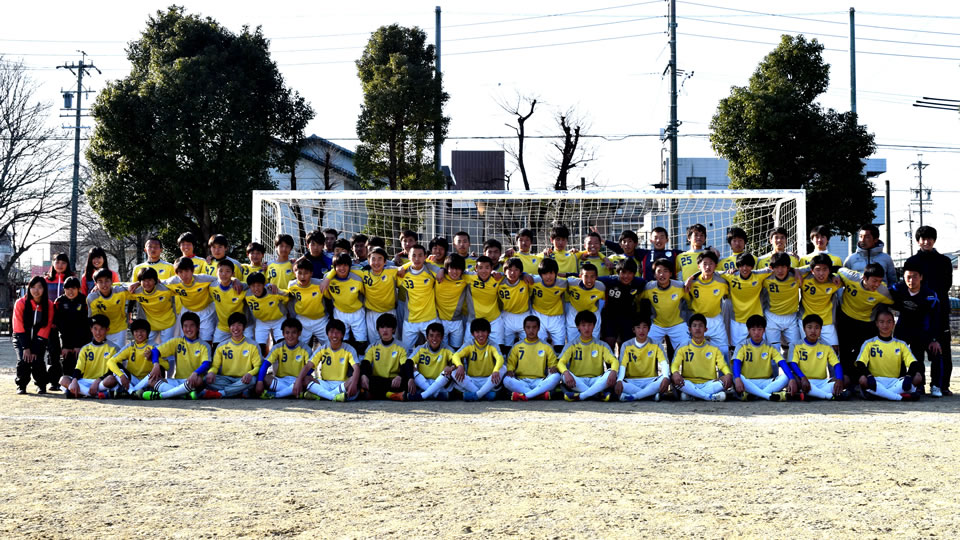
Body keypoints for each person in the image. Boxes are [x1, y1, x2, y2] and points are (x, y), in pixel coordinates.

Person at [905, 225, 953, 396]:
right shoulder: (911, 262)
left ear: (934, 240)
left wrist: (930, 298)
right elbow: (907, 285)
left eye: (929, 238)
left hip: (939, 310)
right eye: (923, 239)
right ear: (918, 241)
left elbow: (945, 285)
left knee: (942, 348)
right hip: (917, 312)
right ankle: (919, 384)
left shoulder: (945, 261)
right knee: (916, 349)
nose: (926, 242)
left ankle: (942, 384)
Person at [888, 260, 942, 396]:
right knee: (897, 356)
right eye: (908, 277)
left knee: (927, 355)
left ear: (921, 277)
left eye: (915, 276)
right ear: (904, 277)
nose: (911, 280)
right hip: (903, 328)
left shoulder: (930, 295)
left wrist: (934, 339)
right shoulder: (897, 289)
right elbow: (883, 295)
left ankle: (933, 385)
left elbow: (936, 319)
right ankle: (899, 383)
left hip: (922, 330)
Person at [835, 264, 894, 386]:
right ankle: (845, 381)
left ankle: (860, 381)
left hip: (866, 323)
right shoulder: (851, 277)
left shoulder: (883, 291)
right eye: (874, 281)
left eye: (880, 281)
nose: (877, 284)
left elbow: (897, 302)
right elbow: (837, 269)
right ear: (864, 278)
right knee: (845, 352)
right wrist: (834, 275)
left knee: (862, 353)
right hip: (846, 318)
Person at [139, 312, 218, 401]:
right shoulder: (177, 341)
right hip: (177, 381)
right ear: (182, 328)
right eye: (185, 326)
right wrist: (156, 364)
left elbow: (206, 363)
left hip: (192, 381)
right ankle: (184, 395)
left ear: (198, 327)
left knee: (199, 380)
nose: (188, 329)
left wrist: (195, 373)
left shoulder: (204, 345)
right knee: (152, 381)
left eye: (192, 326)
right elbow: (155, 351)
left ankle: (163, 395)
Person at [855, 309, 924, 401]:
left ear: (893, 324)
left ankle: (878, 395)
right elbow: (860, 363)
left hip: (894, 382)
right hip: (876, 381)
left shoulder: (901, 344)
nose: (885, 325)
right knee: (863, 380)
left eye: (889, 322)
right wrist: (869, 376)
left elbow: (913, 363)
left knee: (918, 377)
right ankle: (899, 397)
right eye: (881, 322)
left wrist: (908, 376)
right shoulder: (869, 343)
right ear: (877, 324)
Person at [557, 310, 619, 402]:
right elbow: (560, 363)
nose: (587, 328)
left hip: (596, 380)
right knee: (563, 376)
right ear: (578, 327)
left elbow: (614, 361)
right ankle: (598, 394)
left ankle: (581, 396)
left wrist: (613, 371)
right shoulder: (571, 345)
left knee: (610, 372)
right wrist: (566, 373)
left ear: (594, 326)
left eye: (589, 325)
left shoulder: (602, 345)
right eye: (583, 325)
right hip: (577, 380)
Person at [670, 314, 732, 401]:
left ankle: (692, 395)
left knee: (722, 383)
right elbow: (675, 364)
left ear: (706, 329)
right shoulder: (682, 346)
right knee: (675, 380)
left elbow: (723, 365)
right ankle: (708, 397)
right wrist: (676, 373)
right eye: (694, 326)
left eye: (701, 326)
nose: (697, 328)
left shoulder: (714, 348)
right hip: (689, 383)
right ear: (690, 329)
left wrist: (728, 374)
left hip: (709, 383)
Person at [158, 258, 220, 344]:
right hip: (187, 311)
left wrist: (235, 280)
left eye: (187, 271)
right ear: (176, 273)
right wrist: (138, 283)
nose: (184, 275)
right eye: (180, 272)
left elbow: (221, 280)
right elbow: (156, 282)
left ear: (192, 270)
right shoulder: (173, 281)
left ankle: (207, 356)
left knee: (206, 339)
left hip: (206, 310)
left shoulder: (203, 279)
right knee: (187, 339)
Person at [298, 319, 362, 402]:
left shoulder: (349, 349)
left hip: (342, 383)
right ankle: (333, 396)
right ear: (327, 334)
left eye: (338, 332)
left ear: (342, 335)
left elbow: (356, 368)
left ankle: (321, 395)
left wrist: (354, 383)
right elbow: (308, 366)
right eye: (331, 332)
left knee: (354, 379)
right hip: (325, 383)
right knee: (305, 379)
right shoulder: (322, 349)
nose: (334, 335)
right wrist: (298, 381)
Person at [785, 314, 845, 400]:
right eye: (809, 327)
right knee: (793, 379)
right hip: (803, 380)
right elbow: (793, 364)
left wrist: (839, 379)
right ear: (804, 329)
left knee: (844, 380)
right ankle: (827, 395)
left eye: (817, 328)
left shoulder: (826, 346)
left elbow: (837, 364)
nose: (813, 331)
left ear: (821, 330)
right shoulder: (795, 345)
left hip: (822, 382)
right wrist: (803, 377)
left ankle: (811, 394)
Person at [59, 314, 120, 398]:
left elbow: (113, 371)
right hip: (85, 381)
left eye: (101, 329)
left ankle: (80, 392)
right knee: (63, 379)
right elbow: (78, 368)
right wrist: (74, 380)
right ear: (91, 329)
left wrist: (97, 381)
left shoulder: (114, 348)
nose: (98, 333)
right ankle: (95, 394)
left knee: (112, 379)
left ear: (107, 330)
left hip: (101, 382)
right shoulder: (85, 348)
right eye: (95, 329)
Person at [731, 315, 789, 401]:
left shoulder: (770, 347)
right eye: (753, 329)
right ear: (748, 330)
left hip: (766, 382)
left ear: (764, 330)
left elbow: (782, 363)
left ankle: (755, 395)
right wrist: (738, 379)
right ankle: (767, 396)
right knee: (736, 376)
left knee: (787, 376)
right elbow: (736, 363)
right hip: (748, 381)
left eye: (759, 329)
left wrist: (791, 379)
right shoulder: (742, 345)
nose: (756, 332)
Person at [204, 312, 262, 398]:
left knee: (253, 380)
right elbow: (215, 366)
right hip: (226, 379)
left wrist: (250, 373)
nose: (235, 328)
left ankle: (221, 393)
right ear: (229, 327)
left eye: (239, 325)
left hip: (244, 379)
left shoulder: (253, 345)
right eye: (233, 325)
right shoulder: (221, 346)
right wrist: (211, 372)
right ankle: (238, 391)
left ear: (244, 327)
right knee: (205, 380)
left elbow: (258, 367)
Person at [503, 315, 561, 401]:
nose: (531, 330)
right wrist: (510, 370)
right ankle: (538, 394)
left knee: (556, 376)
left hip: (540, 382)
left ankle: (526, 395)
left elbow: (553, 365)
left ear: (538, 328)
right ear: (524, 328)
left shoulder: (546, 346)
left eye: (534, 327)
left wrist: (553, 368)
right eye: (528, 327)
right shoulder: (517, 346)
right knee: (506, 380)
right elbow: (510, 364)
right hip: (521, 381)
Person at [13, 276, 54, 394]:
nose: (36, 290)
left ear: (44, 289)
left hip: (39, 339)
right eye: (33, 287)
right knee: (23, 360)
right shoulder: (20, 303)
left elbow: (46, 327)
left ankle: (41, 385)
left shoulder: (49, 305)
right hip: (21, 338)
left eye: (40, 287)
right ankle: (21, 385)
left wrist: (35, 348)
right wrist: (26, 348)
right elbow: (18, 326)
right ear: (29, 288)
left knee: (37, 360)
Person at [360, 313, 416, 401]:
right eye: (382, 327)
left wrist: (399, 376)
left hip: (394, 381)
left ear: (393, 330)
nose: (385, 330)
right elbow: (365, 363)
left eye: (388, 327)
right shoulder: (372, 347)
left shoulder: (401, 347)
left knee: (406, 381)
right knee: (364, 378)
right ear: (378, 330)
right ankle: (392, 395)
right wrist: (363, 375)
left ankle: (375, 394)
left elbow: (405, 365)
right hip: (378, 380)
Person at [685, 251, 730, 358]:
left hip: (716, 320)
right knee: (694, 351)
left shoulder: (722, 283)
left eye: (711, 263)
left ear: (716, 266)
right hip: (697, 321)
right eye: (704, 264)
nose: (708, 267)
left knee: (724, 350)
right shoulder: (692, 283)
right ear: (699, 266)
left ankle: (725, 374)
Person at [615, 316, 670, 402]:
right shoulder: (626, 345)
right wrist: (619, 380)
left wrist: (666, 377)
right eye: (638, 327)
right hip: (631, 381)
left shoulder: (656, 344)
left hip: (650, 380)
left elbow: (664, 362)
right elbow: (622, 365)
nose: (641, 330)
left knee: (666, 377)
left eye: (644, 327)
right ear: (634, 330)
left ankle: (634, 396)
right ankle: (649, 395)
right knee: (617, 381)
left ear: (649, 329)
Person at [395, 244, 440, 347]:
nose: (417, 258)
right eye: (413, 255)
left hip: (430, 318)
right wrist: (403, 267)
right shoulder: (403, 273)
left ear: (425, 256)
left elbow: (441, 271)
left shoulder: (430, 270)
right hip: (410, 320)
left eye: (420, 255)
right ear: (409, 257)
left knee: (435, 348)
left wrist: (431, 264)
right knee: (406, 351)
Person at [450, 318, 505, 401]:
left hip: (488, 380)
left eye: (483, 331)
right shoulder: (469, 344)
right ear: (472, 333)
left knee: (503, 368)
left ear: (488, 332)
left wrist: (496, 370)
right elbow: (455, 355)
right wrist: (460, 366)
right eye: (477, 332)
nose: (480, 334)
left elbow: (500, 358)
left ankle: (476, 395)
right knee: (453, 371)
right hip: (472, 381)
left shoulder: (493, 345)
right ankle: (483, 394)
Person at [641, 258, 688, 353]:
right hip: (657, 324)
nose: (662, 274)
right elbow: (638, 299)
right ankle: (652, 368)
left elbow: (690, 301)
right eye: (659, 271)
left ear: (670, 274)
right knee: (647, 351)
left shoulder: (680, 286)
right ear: (654, 274)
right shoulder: (649, 287)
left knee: (687, 350)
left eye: (665, 271)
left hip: (677, 324)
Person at [108, 319, 166, 397]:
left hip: (148, 380)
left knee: (160, 369)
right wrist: (121, 375)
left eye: (142, 331)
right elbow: (110, 362)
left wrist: (152, 358)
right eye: (136, 331)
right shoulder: (129, 347)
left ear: (148, 332)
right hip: (132, 380)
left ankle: (130, 391)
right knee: (117, 367)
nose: (139, 334)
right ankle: (134, 392)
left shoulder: (154, 346)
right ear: (132, 333)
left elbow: (166, 366)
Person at [322, 253, 368, 351]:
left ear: (349, 266)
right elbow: (327, 295)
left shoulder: (357, 278)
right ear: (334, 267)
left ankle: (360, 362)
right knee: (342, 340)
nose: (342, 268)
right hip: (339, 312)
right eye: (339, 265)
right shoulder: (328, 279)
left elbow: (364, 293)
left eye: (345, 265)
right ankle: (343, 362)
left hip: (357, 313)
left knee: (361, 341)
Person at [256, 318, 311, 399]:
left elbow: (310, 369)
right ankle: (294, 392)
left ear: (299, 333)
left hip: (298, 380)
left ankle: (277, 394)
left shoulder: (306, 349)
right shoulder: (278, 347)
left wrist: (299, 380)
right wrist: (259, 382)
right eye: (287, 333)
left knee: (308, 380)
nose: (290, 336)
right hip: (281, 380)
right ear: (283, 334)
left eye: (294, 333)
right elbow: (265, 364)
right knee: (264, 377)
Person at [52, 276, 91, 392]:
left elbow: (85, 326)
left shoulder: (84, 301)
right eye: (67, 288)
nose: (70, 291)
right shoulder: (59, 302)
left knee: (81, 360)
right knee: (66, 359)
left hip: (82, 338)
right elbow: (59, 326)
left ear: (78, 289)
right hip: (65, 338)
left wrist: (79, 345)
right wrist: (65, 346)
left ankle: (82, 384)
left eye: (73, 288)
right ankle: (64, 384)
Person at [597, 258, 645, 353]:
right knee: (609, 343)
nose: (626, 276)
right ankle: (611, 367)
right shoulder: (609, 281)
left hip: (628, 316)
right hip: (609, 316)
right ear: (618, 272)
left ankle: (622, 366)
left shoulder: (639, 283)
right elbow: (590, 277)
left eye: (630, 273)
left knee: (625, 345)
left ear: (634, 274)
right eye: (623, 272)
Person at [796, 254, 842, 348]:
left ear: (829, 270)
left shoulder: (835, 282)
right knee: (809, 350)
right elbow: (793, 270)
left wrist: (834, 275)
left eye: (825, 269)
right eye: (818, 269)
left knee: (834, 351)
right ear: (812, 270)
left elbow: (847, 273)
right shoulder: (803, 279)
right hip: (806, 320)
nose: (821, 273)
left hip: (827, 322)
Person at [358, 247, 400, 343]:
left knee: (393, 343)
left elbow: (406, 267)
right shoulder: (363, 273)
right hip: (372, 314)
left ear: (385, 262)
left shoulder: (391, 271)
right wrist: (327, 278)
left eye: (380, 259)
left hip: (390, 312)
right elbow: (340, 268)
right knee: (374, 344)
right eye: (373, 259)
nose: (376, 262)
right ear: (368, 261)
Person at [461, 255, 505, 346]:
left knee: (499, 347)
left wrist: (524, 275)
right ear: (476, 268)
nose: (484, 271)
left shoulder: (497, 278)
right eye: (480, 267)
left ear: (492, 268)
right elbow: (454, 271)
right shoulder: (469, 277)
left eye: (487, 268)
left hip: (494, 319)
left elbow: (513, 275)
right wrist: (442, 270)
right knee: (467, 348)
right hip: (474, 320)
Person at [285, 257, 329, 348]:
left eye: (306, 273)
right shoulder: (292, 285)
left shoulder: (319, 284)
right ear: (295, 273)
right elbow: (288, 299)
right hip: (302, 320)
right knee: (300, 348)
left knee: (329, 345)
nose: (302, 276)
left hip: (320, 320)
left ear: (311, 273)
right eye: (299, 273)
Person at [243, 271, 289, 356]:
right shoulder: (247, 295)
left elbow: (288, 295)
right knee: (260, 347)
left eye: (259, 285)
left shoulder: (273, 292)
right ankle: (262, 367)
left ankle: (280, 366)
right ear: (249, 287)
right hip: (261, 322)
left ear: (263, 285)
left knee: (282, 344)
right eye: (253, 286)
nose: (256, 289)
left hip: (278, 320)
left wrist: (276, 288)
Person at [208, 260, 253, 345]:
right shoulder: (212, 286)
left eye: (227, 271)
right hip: (223, 326)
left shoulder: (241, 287)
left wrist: (269, 286)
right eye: (220, 271)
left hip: (243, 326)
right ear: (216, 272)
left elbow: (256, 287)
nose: (224, 274)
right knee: (216, 350)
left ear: (233, 273)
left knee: (248, 350)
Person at [129, 267, 178, 344]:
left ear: (155, 280)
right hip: (150, 325)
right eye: (144, 280)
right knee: (147, 349)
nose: (147, 283)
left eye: (149, 280)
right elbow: (119, 286)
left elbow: (180, 284)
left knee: (167, 349)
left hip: (167, 323)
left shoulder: (165, 290)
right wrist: (137, 283)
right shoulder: (136, 291)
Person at [409, 323, 457, 400]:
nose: (434, 339)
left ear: (442, 337)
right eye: (431, 335)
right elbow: (408, 362)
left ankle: (423, 395)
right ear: (426, 337)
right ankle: (437, 394)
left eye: (438, 336)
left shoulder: (447, 349)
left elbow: (457, 361)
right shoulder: (420, 349)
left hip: (440, 382)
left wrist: (451, 367)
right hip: (423, 382)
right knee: (411, 368)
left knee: (450, 371)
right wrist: (410, 378)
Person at [87, 268, 132, 349]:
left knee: (119, 355)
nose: (104, 284)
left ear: (112, 281)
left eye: (107, 281)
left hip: (120, 329)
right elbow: (93, 319)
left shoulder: (120, 292)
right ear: (95, 284)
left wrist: (138, 283)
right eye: (100, 281)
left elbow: (134, 287)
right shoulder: (92, 298)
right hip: (103, 331)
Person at [530, 258, 568, 350]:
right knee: (538, 347)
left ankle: (558, 363)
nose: (548, 277)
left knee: (559, 347)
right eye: (545, 274)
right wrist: (524, 274)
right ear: (540, 274)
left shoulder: (563, 283)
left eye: (551, 273)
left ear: (556, 273)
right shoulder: (533, 281)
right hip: (538, 315)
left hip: (557, 317)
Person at [433, 254, 469, 350]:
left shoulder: (465, 278)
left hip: (457, 321)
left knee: (456, 349)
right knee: (441, 349)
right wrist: (441, 269)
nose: (454, 272)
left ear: (462, 270)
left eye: (458, 269)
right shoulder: (438, 276)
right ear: (447, 268)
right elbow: (424, 264)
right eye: (452, 268)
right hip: (439, 320)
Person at [565, 263, 606, 344]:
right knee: (572, 342)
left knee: (594, 341)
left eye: (592, 276)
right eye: (586, 276)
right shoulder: (571, 282)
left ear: (596, 277)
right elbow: (560, 280)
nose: (589, 280)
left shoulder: (601, 287)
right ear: (580, 276)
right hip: (574, 312)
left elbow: (604, 300)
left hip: (592, 313)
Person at [498, 257, 532, 351]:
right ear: (504, 271)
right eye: (509, 270)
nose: (512, 273)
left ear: (520, 272)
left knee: (527, 345)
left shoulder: (526, 281)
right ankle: (507, 363)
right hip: (507, 316)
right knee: (507, 345)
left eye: (516, 270)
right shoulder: (499, 282)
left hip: (524, 315)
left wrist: (526, 274)